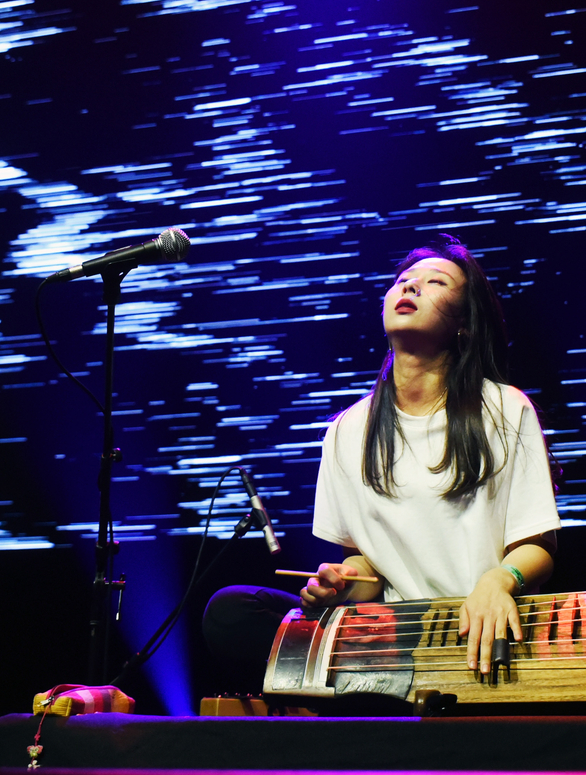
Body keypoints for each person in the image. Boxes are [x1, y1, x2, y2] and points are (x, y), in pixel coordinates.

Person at [203, 236, 560, 677]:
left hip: (478, 621)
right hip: (397, 632)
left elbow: (537, 545)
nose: (410, 288)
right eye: (403, 281)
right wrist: (341, 583)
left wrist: (499, 581)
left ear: (464, 322)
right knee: (232, 610)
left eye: (435, 282)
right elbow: (368, 565)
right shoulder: (346, 431)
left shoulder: (504, 408)